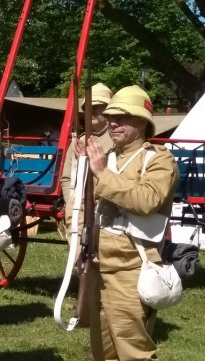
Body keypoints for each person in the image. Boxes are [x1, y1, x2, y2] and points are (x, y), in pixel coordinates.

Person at [79, 85, 178, 360]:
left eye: (122, 117)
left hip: (131, 266)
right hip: (98, 264)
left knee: (133, 351)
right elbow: (85, 205)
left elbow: (146, 200)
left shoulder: (158, 160)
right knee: (103, 351)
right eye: (111, 117)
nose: (113, 123)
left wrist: (101, 173)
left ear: (142, 122)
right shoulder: (107, 157)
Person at [61, 83, 113, 252]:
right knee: (79, 258)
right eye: (90, 107)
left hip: (105, 207)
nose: (93, 111)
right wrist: (72, 201)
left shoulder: (117, 141)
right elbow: (67, 177)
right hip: (78, 208)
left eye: (99, 107)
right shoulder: (78, 141)